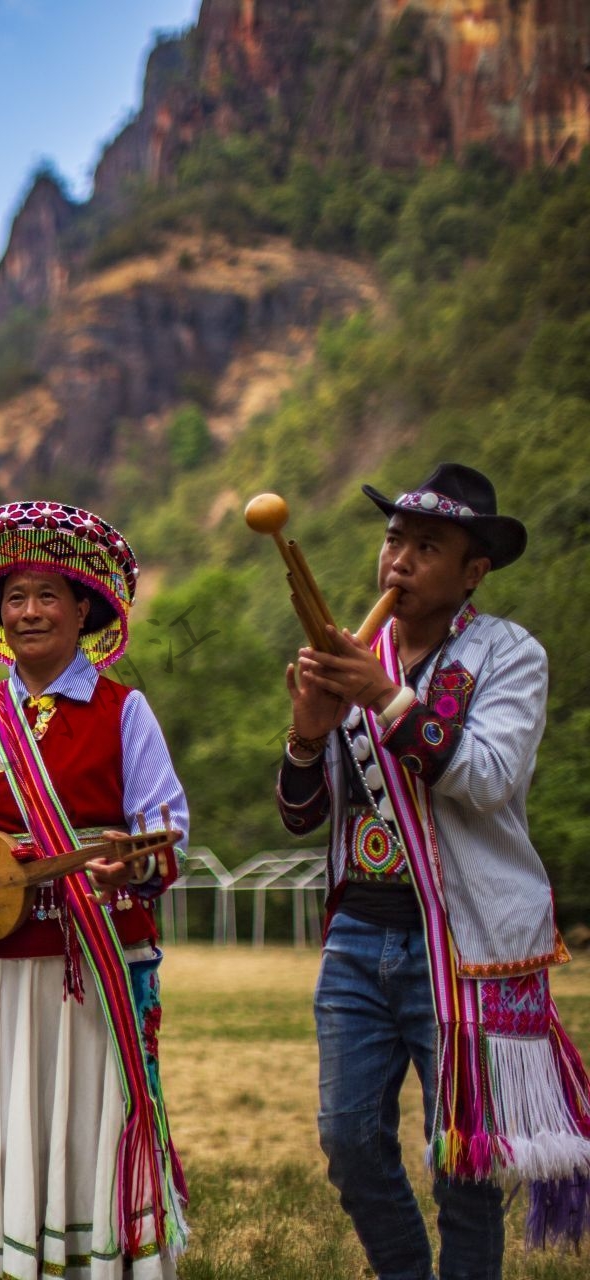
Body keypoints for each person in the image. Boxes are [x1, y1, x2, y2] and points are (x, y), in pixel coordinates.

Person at [279, 462, 590, 1271]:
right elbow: (306, 817)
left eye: (427, 546)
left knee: (464, 1165)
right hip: (357, 940)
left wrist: (383, 696)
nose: (400, 563)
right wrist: (307, 735)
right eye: (393, 542)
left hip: (467, 942)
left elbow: (488, 779)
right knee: (347, 1145)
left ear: (472, 570)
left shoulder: (509, 655)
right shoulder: (354, 652)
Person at [0, 501, 189, 1280]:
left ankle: (100, 1261)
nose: (29, 612)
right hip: (2, 965)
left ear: (83, 607)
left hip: (95, 966)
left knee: (90, 1123)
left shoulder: (125, 712)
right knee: (7, 1128)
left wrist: (133, 865)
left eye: (47, 595)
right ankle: (8, 1257)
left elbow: (168, 832)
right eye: (14, 597)